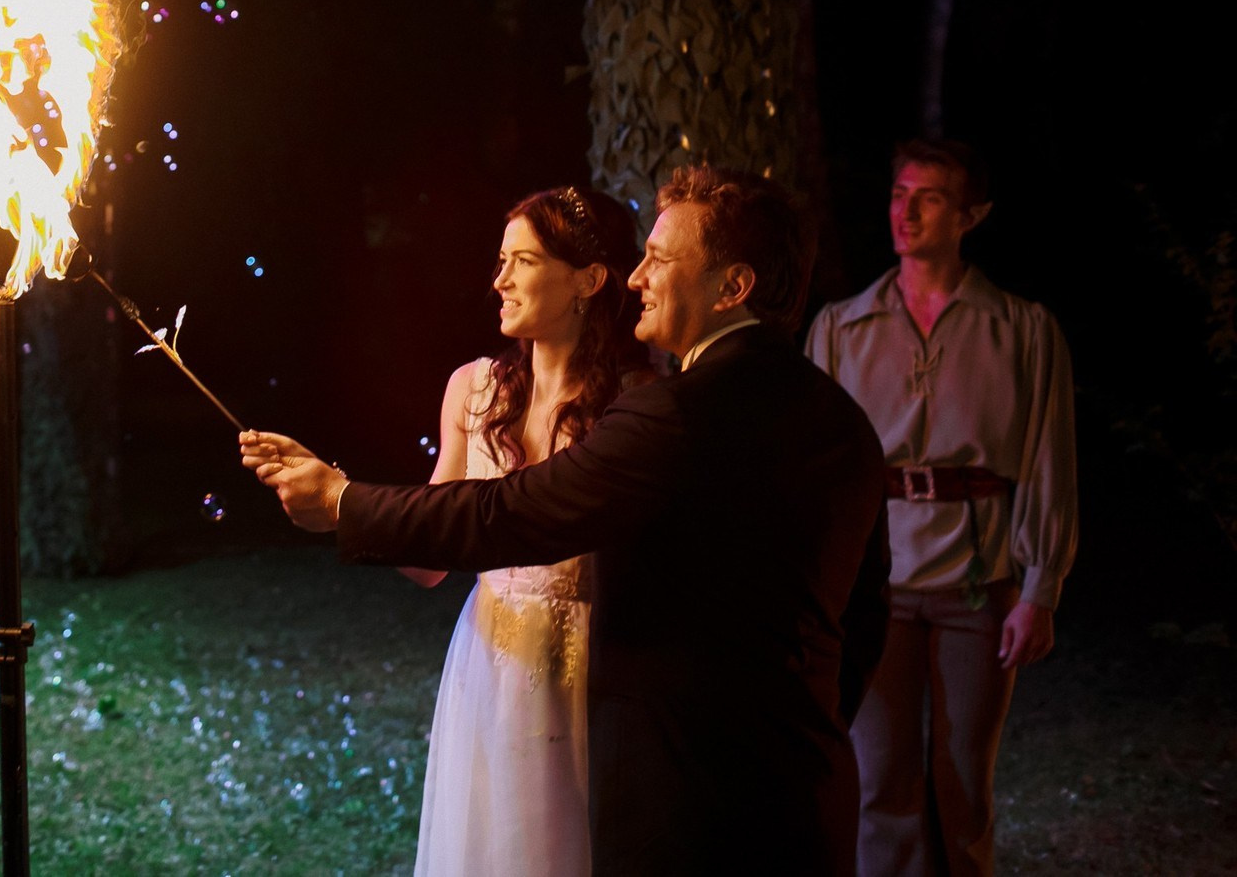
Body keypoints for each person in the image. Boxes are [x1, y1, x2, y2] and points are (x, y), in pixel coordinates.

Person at [242, 166, 891, 876]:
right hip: (806, 794)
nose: (637, 277)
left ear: (732, 287)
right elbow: (863, 616)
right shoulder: (845, 423)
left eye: (660, 260)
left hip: (683, 806)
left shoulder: (666, 413)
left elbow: (511, 512)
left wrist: (343, 500)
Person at [805, 139, 1076, 877]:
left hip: (977, 585)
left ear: (969, 215)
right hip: (874, 586)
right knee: (879, 783)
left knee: (963, 784)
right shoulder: (840, 328)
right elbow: (815, 469)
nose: (906, 210)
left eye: (928, 198)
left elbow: (1049, 462)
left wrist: (1040, 589)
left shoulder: (1020, 330)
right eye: (898, 193)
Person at [405, 186, 648, 876]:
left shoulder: (633, 409)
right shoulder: (474, 391)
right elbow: (427, 558)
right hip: (486, 664)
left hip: (588, 673)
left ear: (589, 280)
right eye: (500, 260)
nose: (499, 280)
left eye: (523, 261)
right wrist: (334, 502)